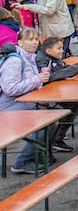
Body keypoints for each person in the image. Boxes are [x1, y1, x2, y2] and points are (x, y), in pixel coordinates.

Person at [1, 27, 50, 174]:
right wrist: (37, 80)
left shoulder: (30, 58)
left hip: (25, 104)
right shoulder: (15, 61)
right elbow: (9, 89)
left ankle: (38, 153)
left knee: (55, 118)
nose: (34, 42)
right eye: (30, 39)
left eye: (36, 39)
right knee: (45, 123)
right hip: (10, 108)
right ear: (20, 42)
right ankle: (22, 161)